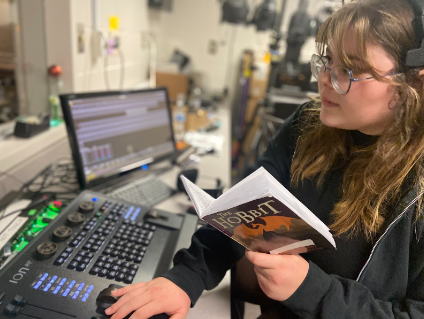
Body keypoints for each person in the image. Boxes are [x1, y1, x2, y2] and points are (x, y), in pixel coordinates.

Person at [105, 0, 424, 318]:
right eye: (327, 61)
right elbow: (243, 211)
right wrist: (185, 278)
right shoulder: (308, 126)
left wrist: (314, 290)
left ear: (413, 82)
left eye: (349, 70)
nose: (325, 79)